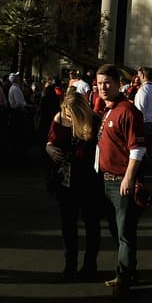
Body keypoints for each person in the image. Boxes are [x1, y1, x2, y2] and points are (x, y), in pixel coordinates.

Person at [94, 65, 146, 298]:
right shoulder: (108, 110)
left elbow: (138, 149)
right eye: (99, 83)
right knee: (117, 231)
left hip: (120, 182)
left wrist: (128, 178)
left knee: (125, 232)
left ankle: (123, 279)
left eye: (107, 83)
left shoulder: (128, 111)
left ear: (117, 84)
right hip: (104, 180)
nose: (103, 87)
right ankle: (129, 271)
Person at [46, 90, 104, 280]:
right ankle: (69, 265)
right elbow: (50, 140)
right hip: (66, 179)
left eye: (71, 113)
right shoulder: (59, 117)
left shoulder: (94, 121)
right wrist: (49, 148)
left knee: (91, 224)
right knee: (68, 225)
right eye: (66, 112)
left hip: (89, 179)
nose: (68, 116)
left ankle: (89, 266)